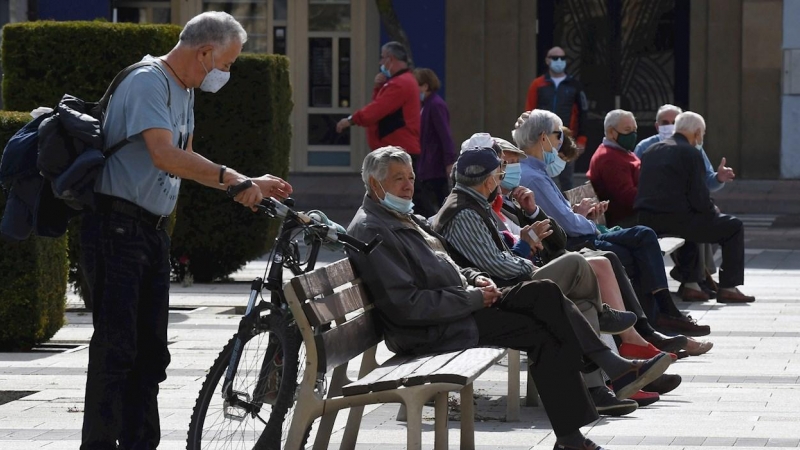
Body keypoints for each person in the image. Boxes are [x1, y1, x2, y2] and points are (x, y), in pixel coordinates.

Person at [347, 146, 671, 450]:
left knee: (544, 304)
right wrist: (473, 298)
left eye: (411, 177)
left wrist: (475, 278)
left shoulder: (406, 218)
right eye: (398, 178)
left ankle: (579, 422)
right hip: (430, 329)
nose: (408, 186)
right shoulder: (374, 230)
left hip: (458, 310)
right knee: (546, 310)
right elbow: (407, 307)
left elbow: (449, 262)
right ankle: (610, 368)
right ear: (375, 185)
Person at [79, 12, 292, 450]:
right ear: (205, 52)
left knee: (151, 354)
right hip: (116, 228)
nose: (227, 73)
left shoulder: (184, 89)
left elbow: (188, 160)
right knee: (116, 352)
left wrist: (247, 181)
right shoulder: (148, 81)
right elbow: (164, 155)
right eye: (228, 63)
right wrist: (235, 179)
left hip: (149, 232)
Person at [432, 134, 646, 415]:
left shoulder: (477, 203)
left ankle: (596, 389)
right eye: (500, 172)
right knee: (576, 265)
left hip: (507, 284)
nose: (503, 178)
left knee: (580, 299)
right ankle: (605, 347)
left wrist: (530, 220)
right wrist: (529, 263)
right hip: (499, 293)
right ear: (486, 181)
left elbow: (552, 239)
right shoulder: (464, 211)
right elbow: (496, 266)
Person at [493, 136, 712, 360]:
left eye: (512, 163)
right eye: (505, 164)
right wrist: (528, 241)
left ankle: (636, 345)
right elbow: (506, 259)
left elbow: (556, 237)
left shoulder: (516, 198)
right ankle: (640, 340)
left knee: (611, 259)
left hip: (550, 257)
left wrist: (533, 212)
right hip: (530, 275)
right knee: (609, 260)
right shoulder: (492, 204)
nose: (510, 170)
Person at [635, 111, 755, 303]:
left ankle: (691, 284)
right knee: (733, 226)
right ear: (697, 132)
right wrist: (712, 212)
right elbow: (699, 196)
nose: (701, 139)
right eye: (703, 135)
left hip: (648, 219)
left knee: (692, 227)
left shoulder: (651, 150)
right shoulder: (691, 152)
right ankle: (728, 287)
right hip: (677, 220)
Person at [336, 41, 420, 156]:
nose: (380, 62)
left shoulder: (400, 83)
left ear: (391, 59)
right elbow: (380, 105)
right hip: (395, 150)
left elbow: (377, 110)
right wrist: (378, 88)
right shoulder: (403, 81)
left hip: (396, 150)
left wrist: (351, 120)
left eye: (382, 57)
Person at [524, 46, 588, 191]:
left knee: (567, 181)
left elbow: (583, 113)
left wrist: (582, 140)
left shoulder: (574, 86)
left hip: (566, 139)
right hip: (542, 139)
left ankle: (568, 211)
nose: (559, 61)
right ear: (547, 60)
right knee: (541, 178)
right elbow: (529, 112)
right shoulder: (538, 85)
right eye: (555, 58)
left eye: (562, 58)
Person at [413, 67, 456, 217]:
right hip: (428, 165)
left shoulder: (435, 105)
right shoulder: (426, 105)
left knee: (436, 202)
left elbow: (445, 135)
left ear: (425, 86)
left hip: (434, 166)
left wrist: (449, 161)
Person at [586, 109, 640, 227]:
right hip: (624, 221)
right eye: (627, 130)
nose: (633, 134)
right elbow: (627, 198)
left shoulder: (623, 151)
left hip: (633, 215)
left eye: (634, 130)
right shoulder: (609, 158)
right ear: (611, 132)